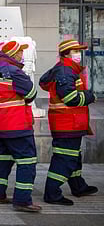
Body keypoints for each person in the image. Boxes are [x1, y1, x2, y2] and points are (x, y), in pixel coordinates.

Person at [0, 41, 41, 212]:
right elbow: (31, 94)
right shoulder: (15, 72)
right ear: (14, 55)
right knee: (27, 162)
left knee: (1, 161)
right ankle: (22, 200)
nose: (23, 55)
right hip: (17, 125)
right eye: (21, 52)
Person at [40, 39, 98, 206]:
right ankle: (52, 194)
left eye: (79, 51)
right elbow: (70, 98)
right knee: (64, 158)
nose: (79, 54)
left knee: (74, 156)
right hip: (67, 123)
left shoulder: (66, 69)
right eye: (75, 51)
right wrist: (90, 96)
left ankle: (78, 186)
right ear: (66, 54)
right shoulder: (66, 71)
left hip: (70, 122)